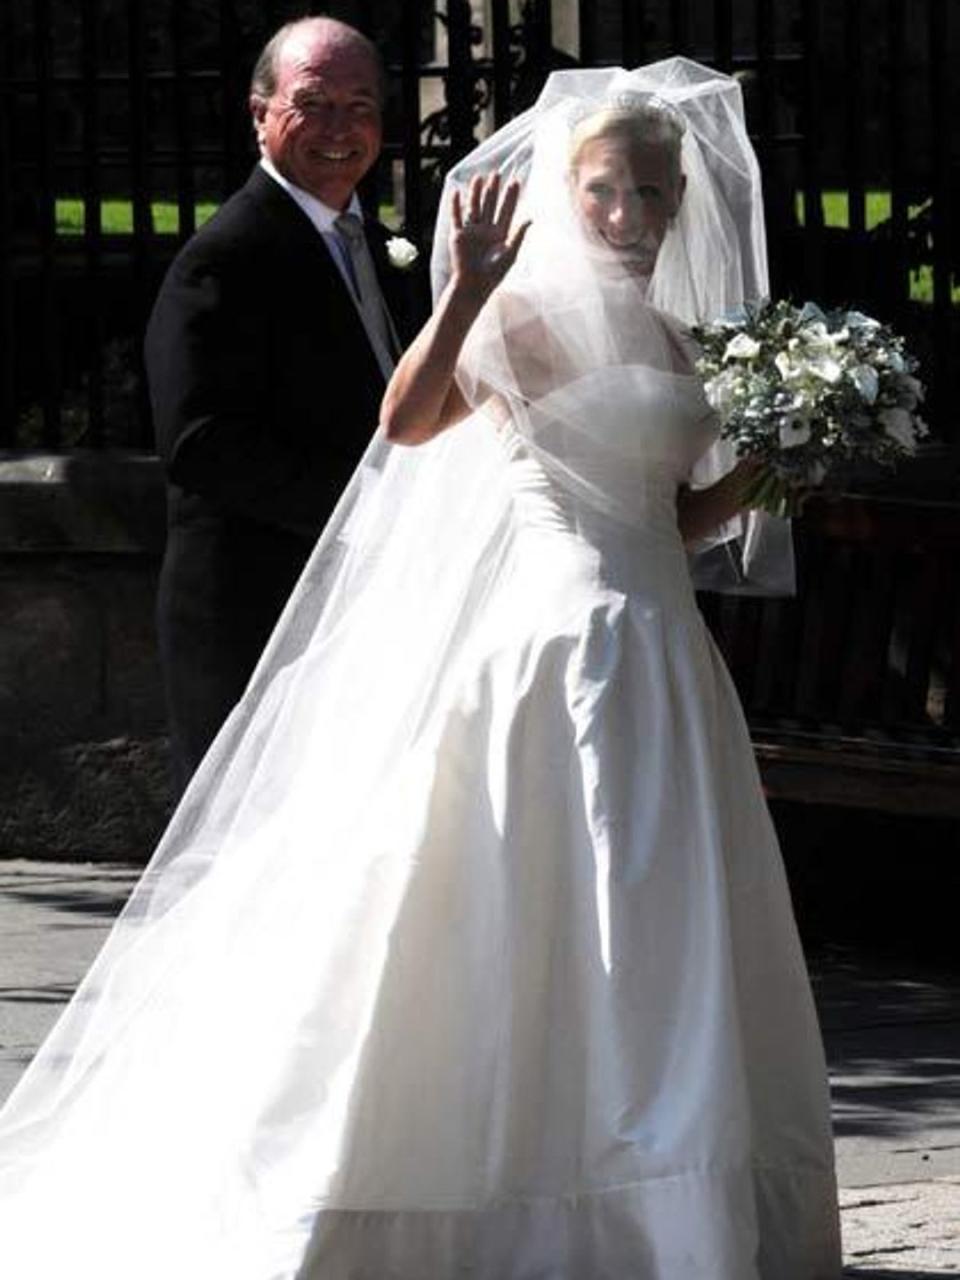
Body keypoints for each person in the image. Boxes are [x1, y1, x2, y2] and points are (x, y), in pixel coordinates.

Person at [0, 60, 840, 1278]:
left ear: (675, 206)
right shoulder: (521, 314)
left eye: (651, 195)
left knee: (662, 904)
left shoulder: (679, 335)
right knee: (544, 888)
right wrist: (468, 297)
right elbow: (405, 422)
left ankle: (660, 1183)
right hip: (562, 637)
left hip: (664, 643)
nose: (629, 215)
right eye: (607, 189)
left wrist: (778, 462)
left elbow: (686, 513)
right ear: (569, 188)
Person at [145, 16, 424, 791]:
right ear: (260, 113)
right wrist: (367, 507)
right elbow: (200, 442)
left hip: (364, 607)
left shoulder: (382, 246)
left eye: (360, 106)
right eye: (314, 103)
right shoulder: (224, 259)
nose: (340, 128)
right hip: (256, 612)